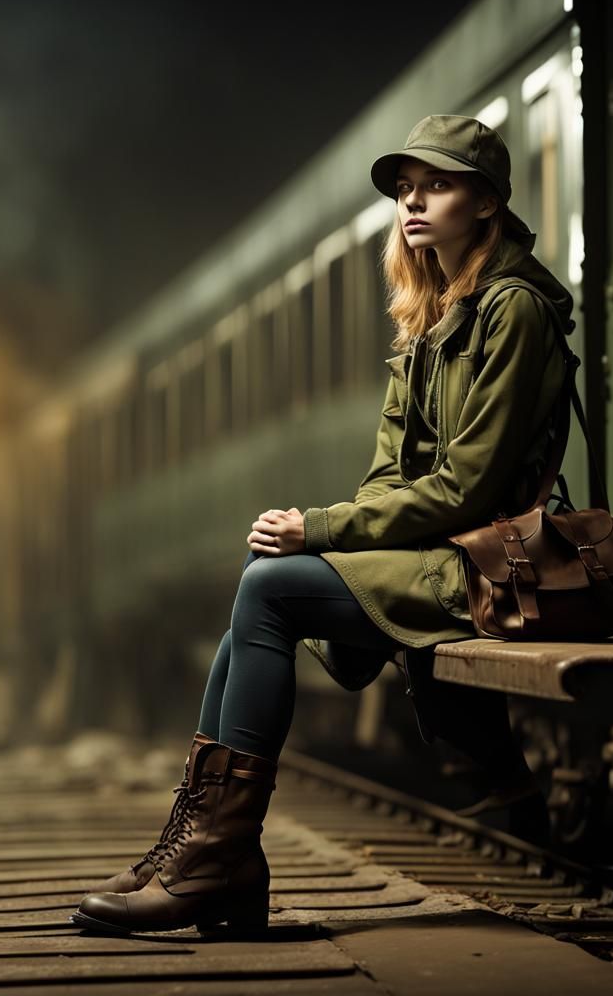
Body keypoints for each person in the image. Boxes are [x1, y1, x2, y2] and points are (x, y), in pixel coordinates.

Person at [70, 114, 572, 936]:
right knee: (260, 585)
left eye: (436, 186)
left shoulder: (512, 310)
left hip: (486, 565)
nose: (413, 203)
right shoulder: (429, 316)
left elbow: (471, 488)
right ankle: (204, 848)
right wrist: (324, 526)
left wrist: (322, 529)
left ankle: (218, 855)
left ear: (484, 203)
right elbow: (387, 473)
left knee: (268, 591)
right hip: (433, 553)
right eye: (405, 189)